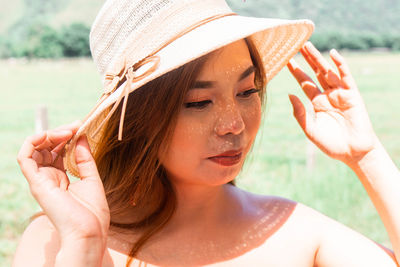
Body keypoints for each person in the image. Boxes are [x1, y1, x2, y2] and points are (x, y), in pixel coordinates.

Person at [12, 0, 400, 266]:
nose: (234, 124)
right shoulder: (58, 239)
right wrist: (84, 249)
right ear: (135, 118)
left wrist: (367, 157)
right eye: (198, 102)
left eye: (247, 92)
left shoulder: (297, 231)